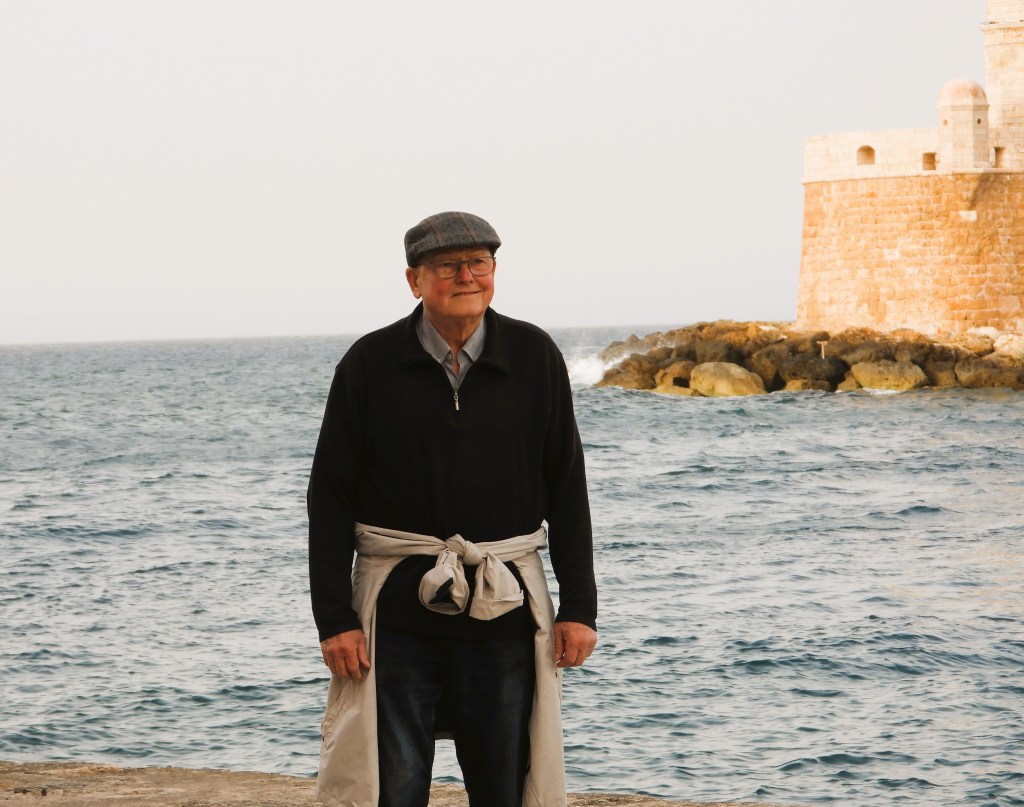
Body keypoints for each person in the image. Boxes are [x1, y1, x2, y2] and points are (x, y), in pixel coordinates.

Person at [307, 211, 598, 807]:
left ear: (494, 272)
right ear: (414, 280)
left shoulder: (535, 355)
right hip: (395, 617)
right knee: (394, 787)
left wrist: (581, 607)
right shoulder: (369, 363)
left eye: (479, 264)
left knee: (505, 787)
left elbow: (568, 487)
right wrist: (334, 618)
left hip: (506, 608)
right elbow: (329, 496)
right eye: (447, 266)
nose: (466, 276)